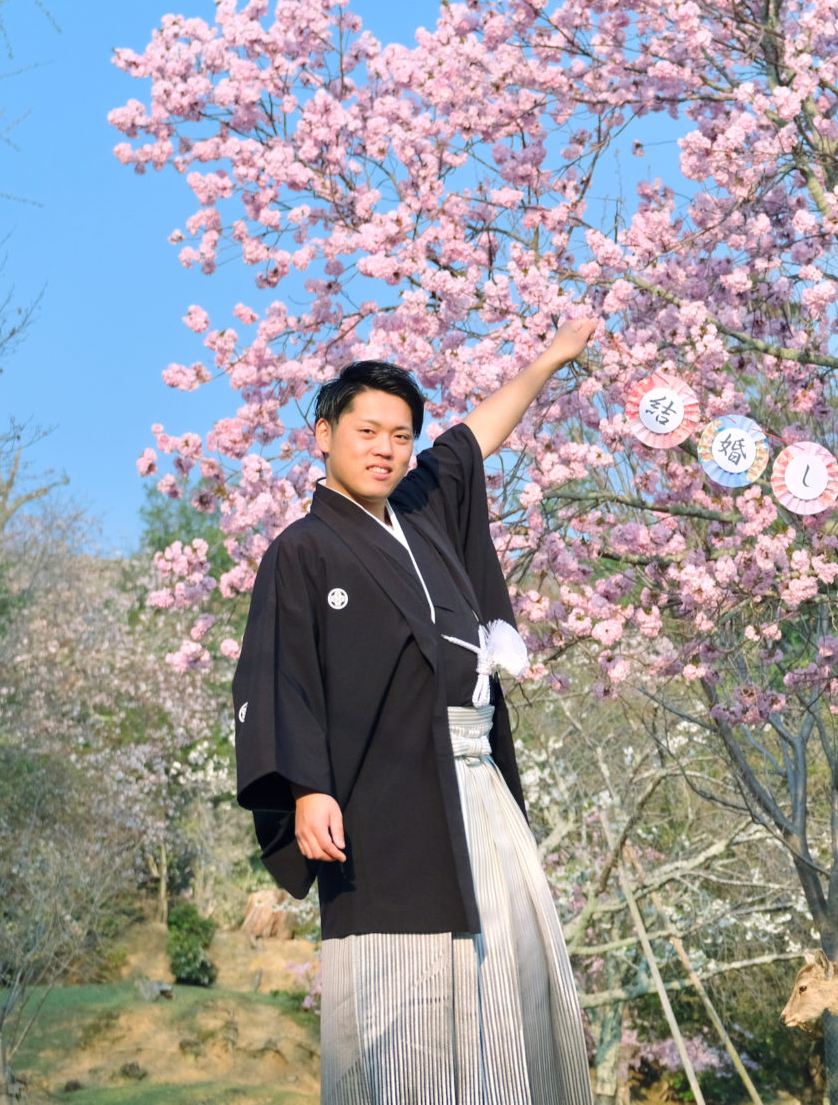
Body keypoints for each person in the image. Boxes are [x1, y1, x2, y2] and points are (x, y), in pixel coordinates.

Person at [233, 318, 598, 1104]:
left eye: (400, 436)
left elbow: (475, 437)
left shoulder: (423, 510)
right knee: (401, 999)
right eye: (367, 431)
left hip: (477, 783)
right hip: (379, 805)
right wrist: (306, 787)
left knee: (509, 968)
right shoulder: (302, 549)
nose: (385, 449)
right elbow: (280, 677)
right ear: (324, 434)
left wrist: (551, 356)